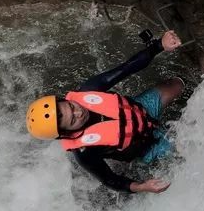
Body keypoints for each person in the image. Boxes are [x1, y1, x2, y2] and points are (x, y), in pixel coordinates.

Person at [25, 30, 186, 195]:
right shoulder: (85, 152)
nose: (79, 113)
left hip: (142, 108)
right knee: (188, 149)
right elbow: (109, 179)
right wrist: (142, 186)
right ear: (66, 133)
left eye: (72, 107)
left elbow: (127, 68)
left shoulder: (88, 90)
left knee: (178, 84)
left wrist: (159, 45)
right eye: (73, 120)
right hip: (147, 146)